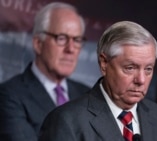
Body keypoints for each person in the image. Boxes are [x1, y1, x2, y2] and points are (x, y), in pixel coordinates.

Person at [38, 21, 157, 141]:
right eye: (130, 68)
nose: (141, 80)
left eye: (148, 69)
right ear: (104, 63)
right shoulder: (66, 121)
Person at [0, 2, 90, 141]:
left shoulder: (88, 95)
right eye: (61, 38)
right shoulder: (8, 96)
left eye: (77, 40)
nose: (71, 49)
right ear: (38, 44)